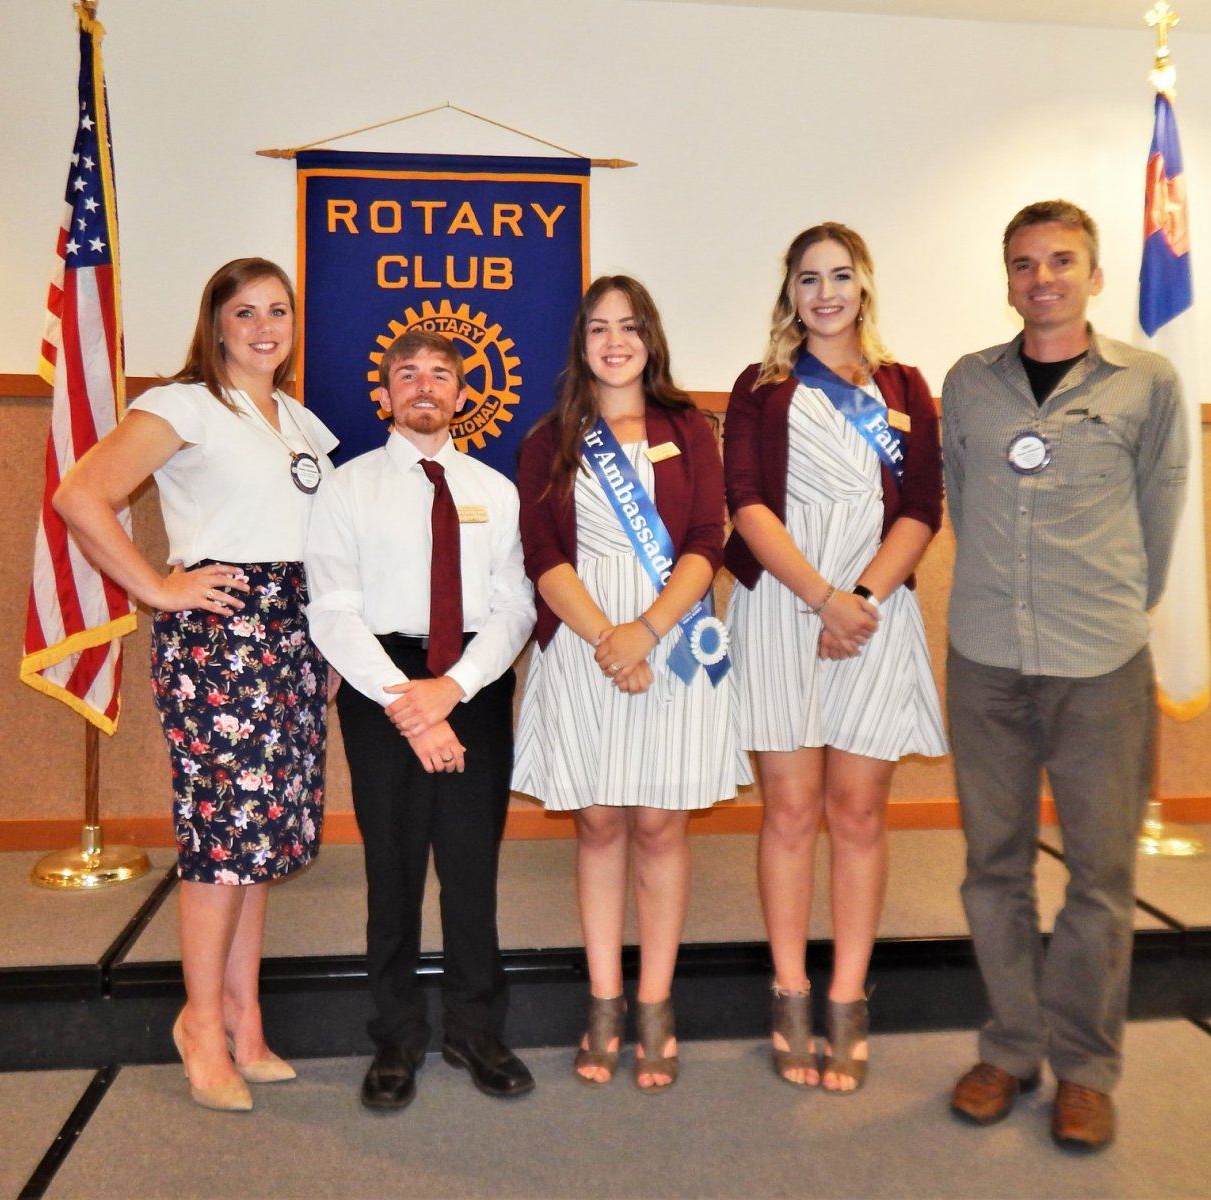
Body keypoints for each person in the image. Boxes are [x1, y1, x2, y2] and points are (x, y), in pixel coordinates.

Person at [54, 258, 336, 1112]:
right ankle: (200, 1025)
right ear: (215, 323)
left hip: (292, 636)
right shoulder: (182, 405)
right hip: (222, 641)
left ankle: (247, 1020)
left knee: (260, 844)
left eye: (277, 311)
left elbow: (317, 542)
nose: (262, 327)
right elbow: (80, 495)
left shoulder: (298, 420)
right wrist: (159, 587)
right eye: (243, 311)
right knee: (220, 845)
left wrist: (323, 649)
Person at [943, 200, 1187, 1150]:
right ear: (1006, 278)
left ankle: (1085, 1067)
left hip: (1100, 663)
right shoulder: (970, 383)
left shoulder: (1146, 382)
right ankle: (1009, 1047)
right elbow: (964, 500)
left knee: (1100, 873)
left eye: (1060, 261)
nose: (1040, 278)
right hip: (988, 659)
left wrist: (1113, 605)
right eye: (1023, 263)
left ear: (1092, 273)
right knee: (991, 867)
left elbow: (1160, 514)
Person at [723, 223, 947, 1093]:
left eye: (840, 276)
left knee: (857, 812)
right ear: (789, 293)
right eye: (808, 279)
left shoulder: (904, 387)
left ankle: (849, 996)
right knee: (788, 810)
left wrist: (862, 600)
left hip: (877, 609)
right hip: (783, 608)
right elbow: (744, 503)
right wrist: (824, 599)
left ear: (865, 286)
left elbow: (923, 505)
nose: (825, 293)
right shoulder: (760, 386)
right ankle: (789, 992)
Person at [514, 276, 748, 1091]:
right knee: (600, 822)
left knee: (659, 826)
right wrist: (605, 637)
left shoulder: (692, 429)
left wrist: (644, 630)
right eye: (599, 329)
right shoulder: (551, 438)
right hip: (582, 643)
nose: (615, 342)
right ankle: (605, 1001)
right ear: (581, 344)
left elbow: (705, 537)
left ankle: (656, 1004)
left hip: (674, 640)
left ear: (651, 338)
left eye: (630, 326)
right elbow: (542, 555)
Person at [304, 330, 536, 1112]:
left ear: (464, 396)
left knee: (472, 870)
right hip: (381, 688)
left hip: (472, 685)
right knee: (392, 871)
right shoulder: (346, 489)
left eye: (442, 374)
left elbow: (516, 607)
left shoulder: (494, 491)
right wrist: (409, 701)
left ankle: (475, 1028)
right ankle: (396, 1035)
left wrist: (456, 688)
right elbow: (332, 611)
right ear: (387, 395)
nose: (425, 386)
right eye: (408, 374)